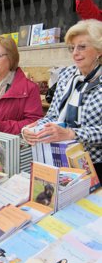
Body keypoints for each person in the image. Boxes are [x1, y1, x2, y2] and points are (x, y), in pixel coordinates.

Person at [22, 19, 102, 183]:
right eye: (72, 48)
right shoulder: (67, 75)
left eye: (82, 47)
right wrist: (33, 130)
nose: (75, 53)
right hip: (59, 158)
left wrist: (72, 133)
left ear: (99, 50)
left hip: (95, 165)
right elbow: (52, 115)